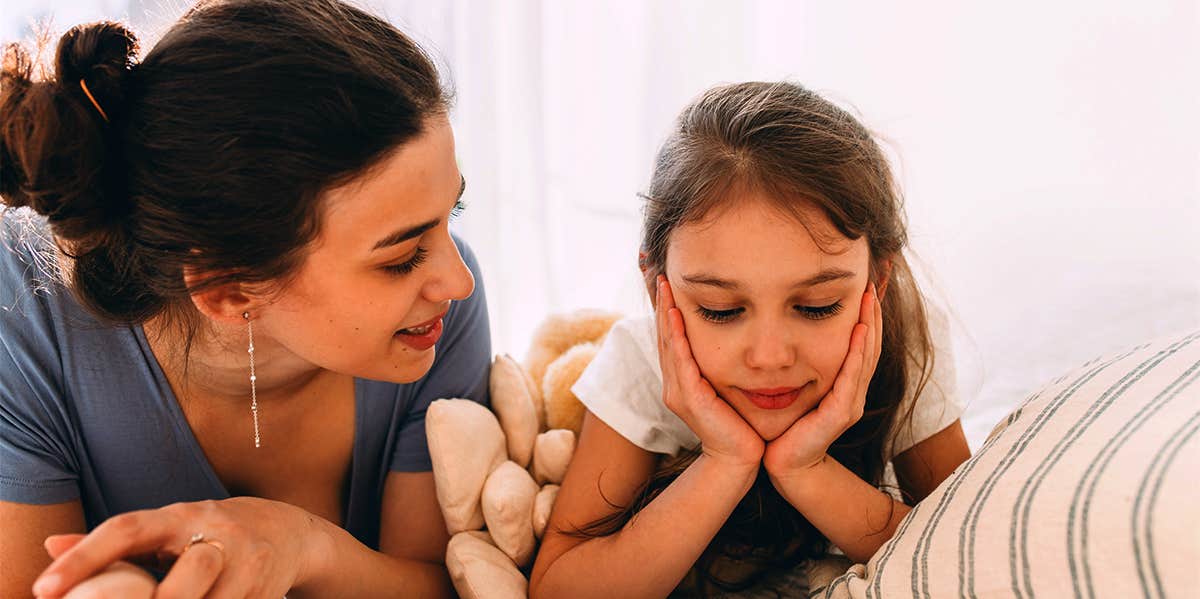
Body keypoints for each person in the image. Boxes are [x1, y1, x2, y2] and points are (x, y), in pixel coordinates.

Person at [0, 1, 490, 597]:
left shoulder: (437, 318)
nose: (459, 281)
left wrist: (303, 545)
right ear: (228, 289)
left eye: (451, 213)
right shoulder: (21, 321)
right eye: (400, 259)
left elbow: (448, 584)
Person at [529, 81, 972, 598]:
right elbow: (559, 587)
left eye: (817, 307)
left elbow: (963, 553)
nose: (769, 357)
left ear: (877, 281)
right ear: (658, 290)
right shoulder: (643, 361)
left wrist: (806, 469)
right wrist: (724, 461)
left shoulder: (902, 338)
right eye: (721, 310)